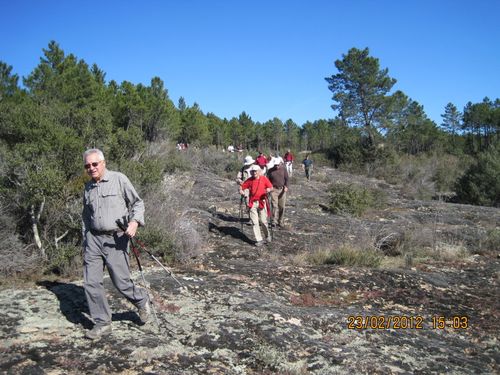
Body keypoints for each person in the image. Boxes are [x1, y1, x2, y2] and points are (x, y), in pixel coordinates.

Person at [81, 148, 150, 340]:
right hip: (93, 240)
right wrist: (85, 238)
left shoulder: (119, 179)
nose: (91, 168)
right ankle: (102, 323)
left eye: (95, 164)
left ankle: (142, 300)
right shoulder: (88, 188)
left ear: (103, 163)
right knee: (91, 282)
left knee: (121, 282)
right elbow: (86, 216)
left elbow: (138, 203)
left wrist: (135, 222)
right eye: (87, 165)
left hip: (116, 239)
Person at [239, 164, 273, 247]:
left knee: (263, 221)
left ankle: (267, 235)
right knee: (254, 222)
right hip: (252, 202)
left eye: (256, 171)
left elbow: (271, 187)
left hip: (262, 201)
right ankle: (259, 239)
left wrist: (268, 189)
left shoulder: (264, 179)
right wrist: (241, 191)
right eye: (253, 171)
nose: (254, 173)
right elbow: (242, 187)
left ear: (259, 172)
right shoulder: (249, 180)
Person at [266, 156, 289, 228]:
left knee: (282, 207)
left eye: (278, 165)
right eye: (275, 165)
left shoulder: (284, 169)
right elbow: (267, 180)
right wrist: (269, 188)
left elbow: (287, 179)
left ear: (280, 164)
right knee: (274, 205)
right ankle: (273, 221)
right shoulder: (270, 171)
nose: (277, 166)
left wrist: (286, 186)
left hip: (282, 189)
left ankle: (280, 221)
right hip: (273, 190)